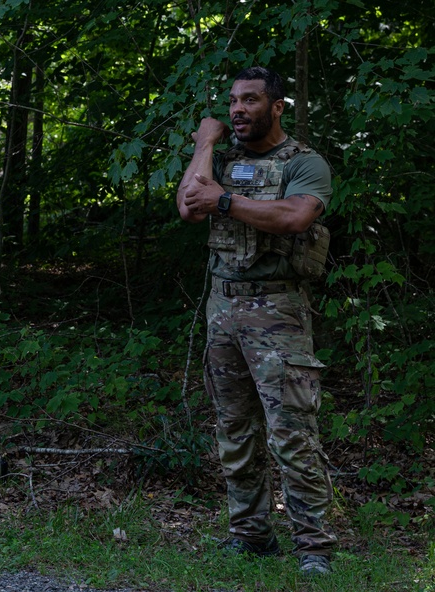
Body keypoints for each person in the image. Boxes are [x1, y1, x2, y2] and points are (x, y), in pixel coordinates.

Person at [176, 66, 337, 575]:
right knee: (234, 429)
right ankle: (250, 535)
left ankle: (314, 546)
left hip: (278, 311)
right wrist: (205, 142)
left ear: (277, 106)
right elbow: (187, 206)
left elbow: (294, 217)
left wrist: (224, 199)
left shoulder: (304, 162)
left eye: (249, 100)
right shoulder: (222, 159)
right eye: (232, 102)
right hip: (223, 308)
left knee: (290, 431)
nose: (238, 110)